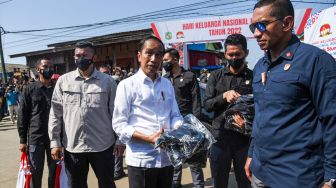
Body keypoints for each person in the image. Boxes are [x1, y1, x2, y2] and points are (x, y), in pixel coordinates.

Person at [244, 0, 336, 188]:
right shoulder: (260, 66)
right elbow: (260, 116)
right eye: (253, 26)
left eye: (262, 25)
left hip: (297, 177)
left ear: (286, 23)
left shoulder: (316, 61)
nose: (256, 33)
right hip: (260, 173)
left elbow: (332, 121)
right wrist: (252, 154)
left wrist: (332, 177)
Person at [112, 36, 183, 188]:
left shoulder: (167, 84)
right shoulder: (126, 85)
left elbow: (175, 115)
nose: (153, 59)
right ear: (139, 56)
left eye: (158, 55)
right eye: (149, 53)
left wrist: (178, 129)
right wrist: (148, 138)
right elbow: (119, 124)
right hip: (141, 160)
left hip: (166, 159)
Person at [48, 41, 120, 188]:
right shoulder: (64, 81)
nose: (80, 58)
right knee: (76, 185)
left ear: (94, 58)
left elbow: (117, 113)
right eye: (77, 55)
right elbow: (55, 114)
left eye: (85, 55)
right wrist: (55, 142)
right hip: (73, 146)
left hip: (103, 145)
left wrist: (119, 140)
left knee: (107, 183)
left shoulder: (108, 82)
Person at [204, 33, 253, 188]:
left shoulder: (254, 76)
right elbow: (207, 105)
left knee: (245, 182)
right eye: (230, 54)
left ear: (246, 53)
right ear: (225, 54)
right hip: (220, 139)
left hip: (244, 140)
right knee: (219, 182)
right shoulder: (215, 76)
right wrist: (223, 96)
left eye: (238, 54)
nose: (234, 58)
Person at [163, 48, 204, 188]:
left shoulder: (189, 76)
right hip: (171, 127)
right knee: (175, 160)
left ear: (175, 59)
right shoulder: (164, 79)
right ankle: (176, 185)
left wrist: (194, 125)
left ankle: (199, 185)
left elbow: (196, 102)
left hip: (188, 124)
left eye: (166, 60)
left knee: (194, 161)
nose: (164, 63)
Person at [17, 57, 56, 188]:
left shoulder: (57, 88)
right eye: (45, 66)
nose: (49, 69)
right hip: (36, 138)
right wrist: (23, 140)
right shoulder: (29, 89)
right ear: (38, 69)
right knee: (35, 173)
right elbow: (22, 115)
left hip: (55, 139)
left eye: (51, 66)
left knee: (55, 172)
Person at [98, 64, 127, 180]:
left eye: (107, 72)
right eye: (102, 72)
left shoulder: (116, 83)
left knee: (118, 146)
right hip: (102, 124)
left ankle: (117, 170)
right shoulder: (96, 85)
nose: (105, 75)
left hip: (116, 121)